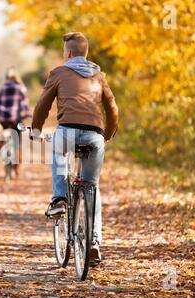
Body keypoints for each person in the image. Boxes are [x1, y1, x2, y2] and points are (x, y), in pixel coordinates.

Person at [30, 32, 119, 261]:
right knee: (92, 187)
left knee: (60, 158)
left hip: (67, 131)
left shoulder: (59, 72)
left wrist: (36, 130)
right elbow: (112, 108)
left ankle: (60, 199)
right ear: (85, 52)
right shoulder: (99, 76)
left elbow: (43, 105)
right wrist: (107, 134)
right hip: (95, 136)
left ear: (68, 53)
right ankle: (94, 242)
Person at [0, 67, 32, 177]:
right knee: (17, 142)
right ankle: (16, 167)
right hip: (16, 119)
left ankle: (0, 149)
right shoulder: (20, 88)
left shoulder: (0, 88)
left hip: (3, 120)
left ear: (6, 77)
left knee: (3, 134)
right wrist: (27, 113)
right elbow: (24, 104)